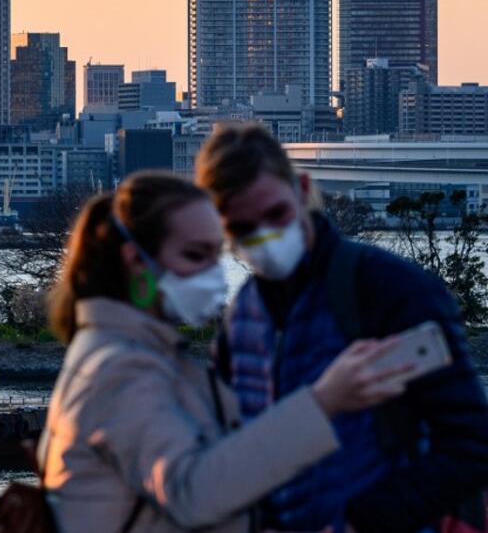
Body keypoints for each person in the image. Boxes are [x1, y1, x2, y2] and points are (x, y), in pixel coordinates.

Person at [41, 171, 408, 533]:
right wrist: (323, 402)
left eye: (216, 256)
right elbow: (191, 493)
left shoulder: (134, 355)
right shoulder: (119, 369)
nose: (213, 275)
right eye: (194, 255)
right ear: (137, 262)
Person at [196, 122, 488, 533]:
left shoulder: (387, 288)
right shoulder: (241, 318)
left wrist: (369, 518)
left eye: (276, 214)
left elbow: (470, 442)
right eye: (244, 228)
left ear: (301, 190)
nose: (265, 236)